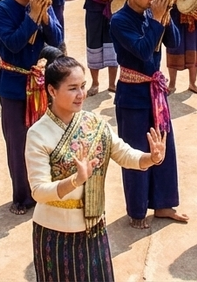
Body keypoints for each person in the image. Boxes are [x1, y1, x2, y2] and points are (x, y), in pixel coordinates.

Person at [26, 51, 167, 281]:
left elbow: (123, 153)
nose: (81, 94)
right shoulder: (38, 134)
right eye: (72, 88)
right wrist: (75, 180)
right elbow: (39, 191)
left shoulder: (94, 122)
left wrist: (150, 158)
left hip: (93, 228)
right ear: (52, 90)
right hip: (55, 232)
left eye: (83, 86)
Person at [110, 0, 189, 229]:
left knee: (165, 147)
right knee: (137, 152)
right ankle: (137, 210)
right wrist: (156, 20)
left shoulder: (151, 13)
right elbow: (143, 51)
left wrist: (166, 16)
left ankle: (164, 205)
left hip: (155, 93)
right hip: (132, 95)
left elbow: (174, 43)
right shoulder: (119, 20)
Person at [0, 0, 63, 215]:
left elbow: (57, 39)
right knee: (18, 142)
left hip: (41, 83)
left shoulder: (43, 4)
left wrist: (45, 18)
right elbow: (13, 44)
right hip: (13, 85)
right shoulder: (0, 9)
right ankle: (22, 196)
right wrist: (32, 16)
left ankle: (47, 189)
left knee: (48, 139)